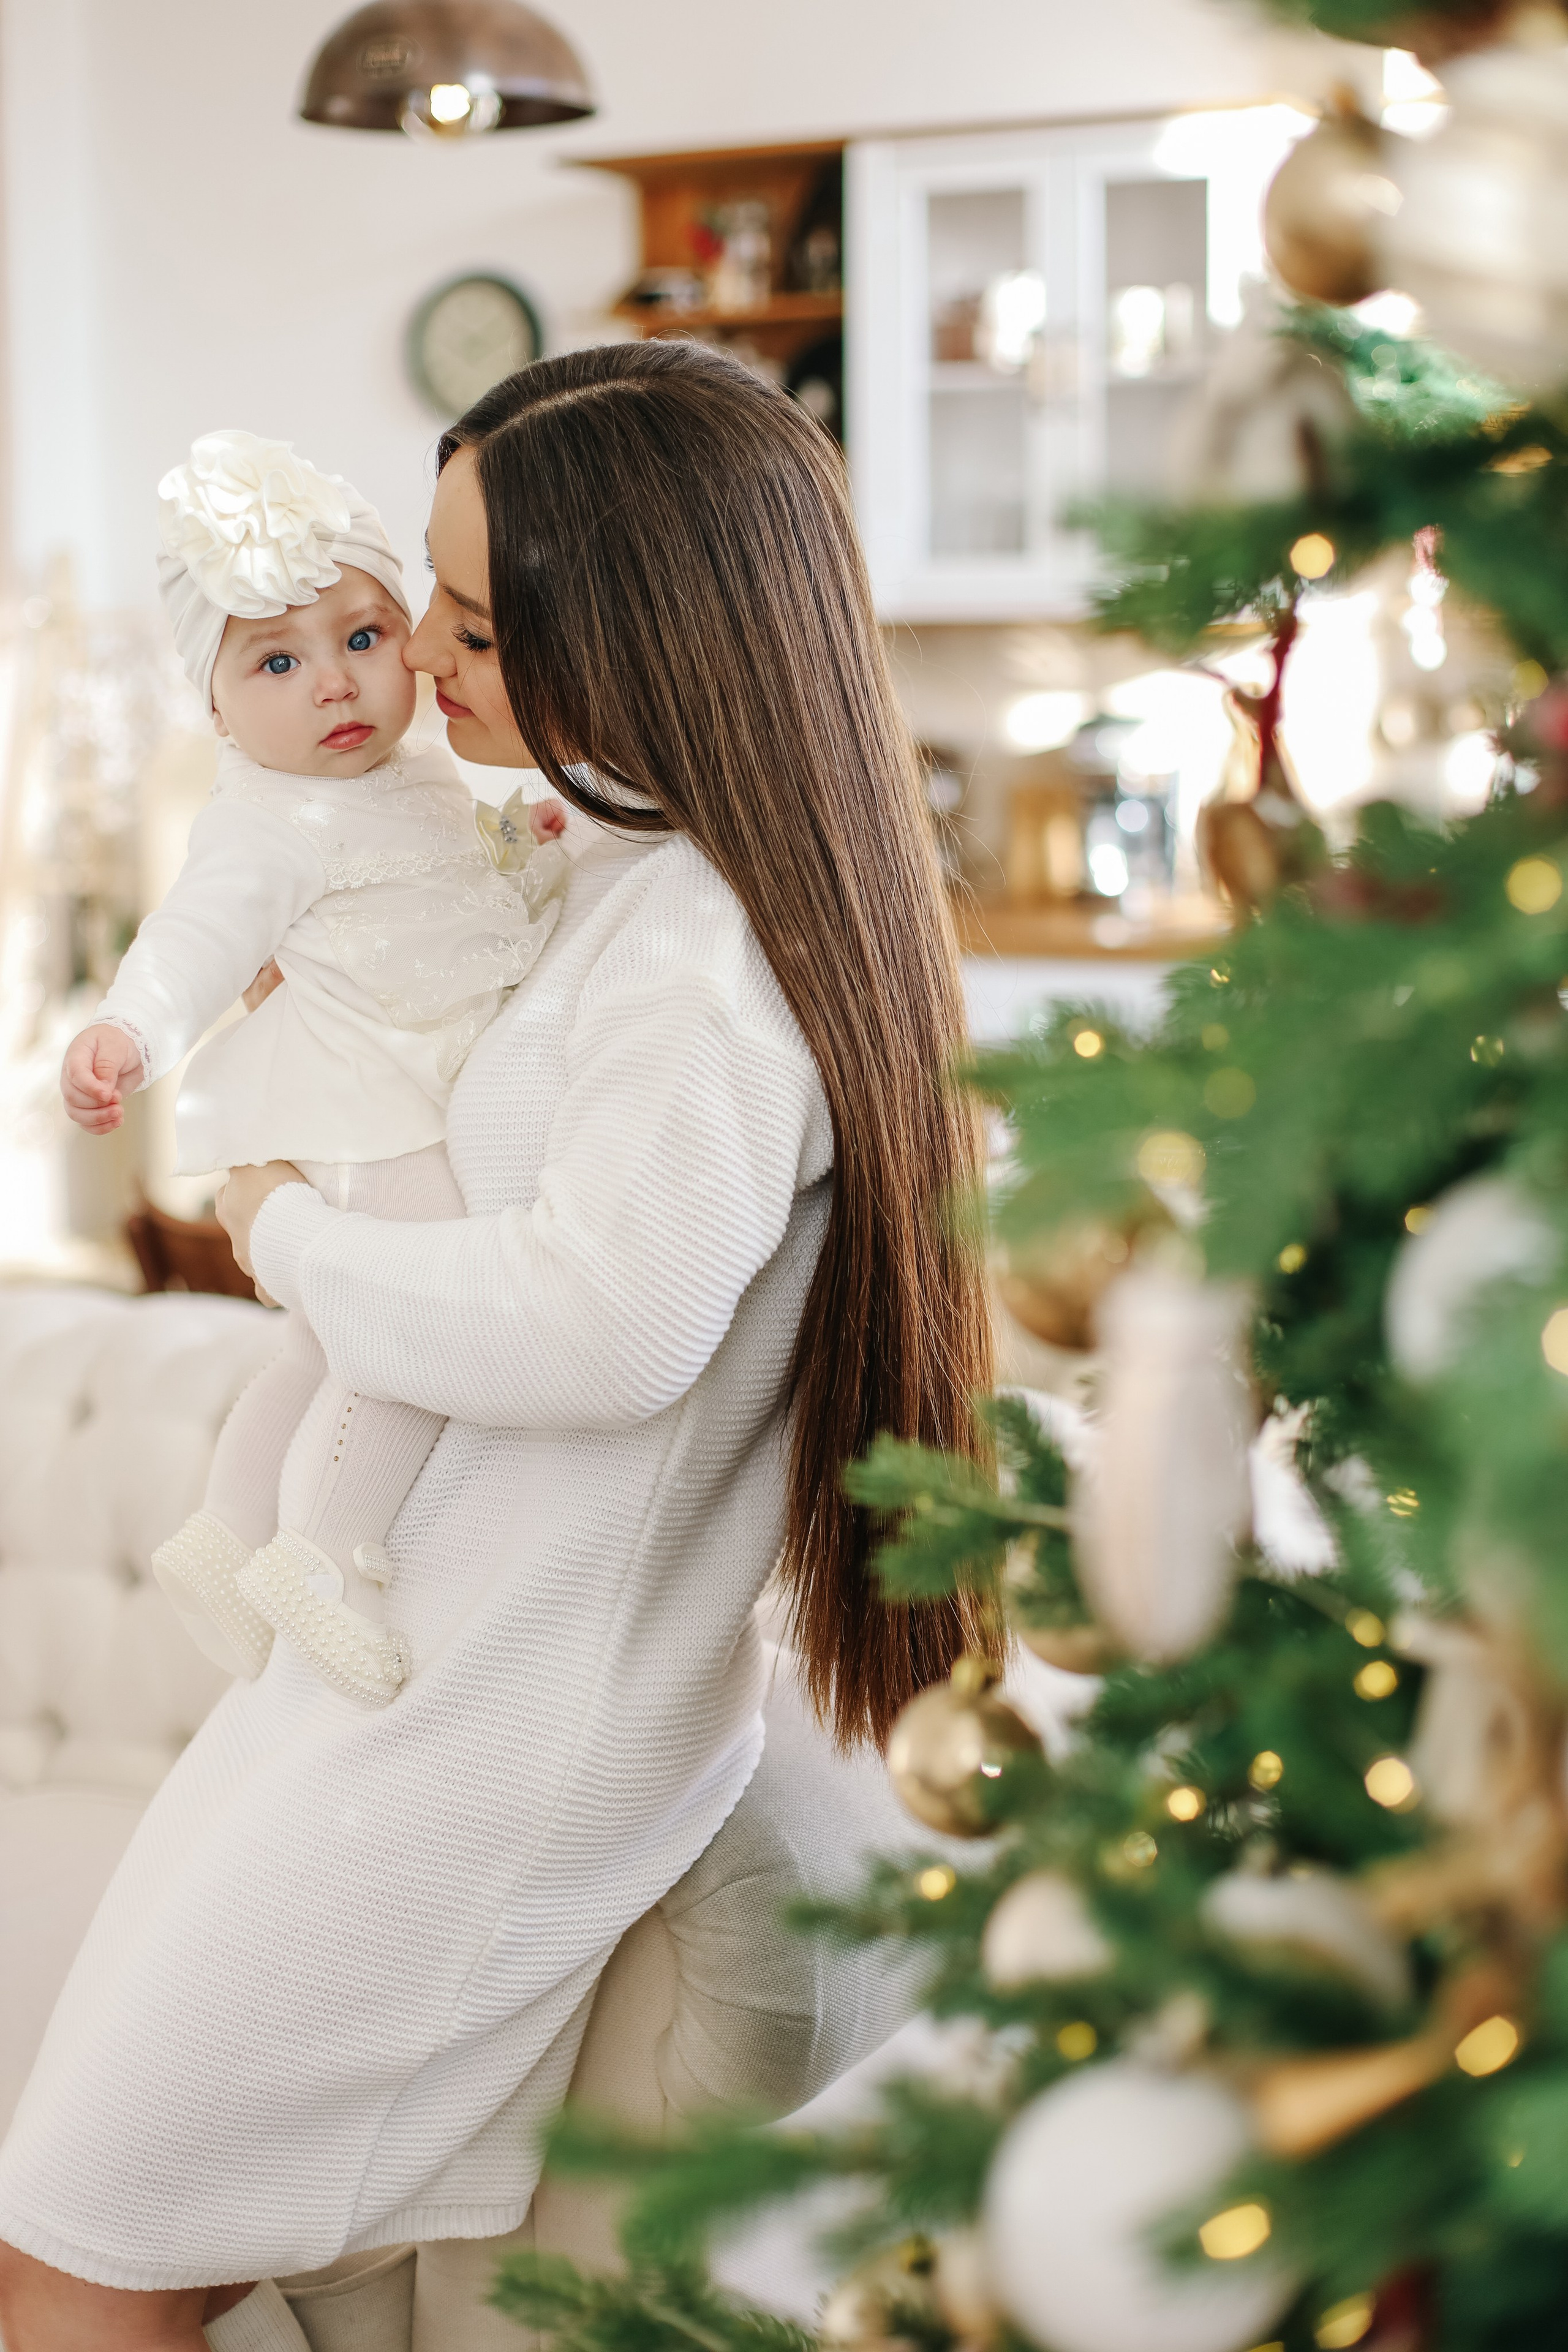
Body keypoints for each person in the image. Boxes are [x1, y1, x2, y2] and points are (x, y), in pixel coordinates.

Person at [0, 339, 992, 2350]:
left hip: (488, 1736)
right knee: (90, 2220)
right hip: (400, 1695)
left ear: (629, 630)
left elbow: (603, 1322)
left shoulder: (710, 952)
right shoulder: (625, 878)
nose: (417, 663)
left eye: (465, 617)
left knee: (87, 2241)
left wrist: (275, 1225)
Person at [59, 429, 566, 1705]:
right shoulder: (260, 821)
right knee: (403, 1332)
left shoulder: (414, 775)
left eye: (360, 636)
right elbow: (194, 940)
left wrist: (534, 844)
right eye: (276, 662)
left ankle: (226, 1532)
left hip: (396, 1089)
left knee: (316, 1351)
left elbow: (462, 891)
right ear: (217, 704)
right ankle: (326, 1558)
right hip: (360, 1110)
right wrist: (130, 1031)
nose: (334, 686)